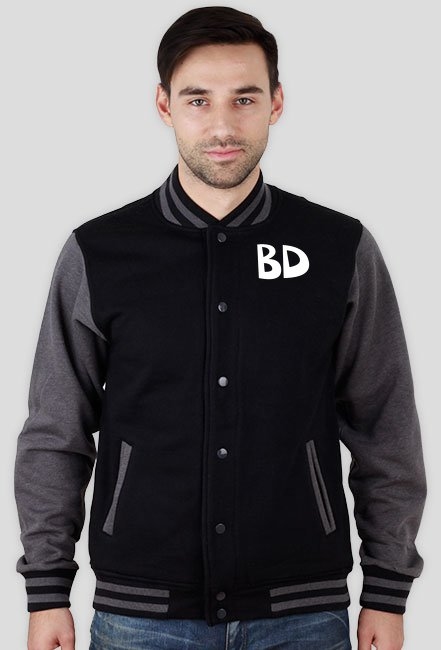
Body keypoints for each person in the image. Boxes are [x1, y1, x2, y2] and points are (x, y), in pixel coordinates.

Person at [14, 6, 427, 650]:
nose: (223, 125)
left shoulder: (339, 248)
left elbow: (385, 424)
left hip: (303, 613)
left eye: (245, 98)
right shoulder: (99, 253)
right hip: (140, 616)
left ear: (277, 103)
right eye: (198, 99)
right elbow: (55, 431)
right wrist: (47, 590)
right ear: (164, 104)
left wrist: (387, 588)